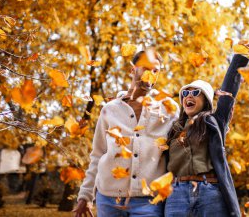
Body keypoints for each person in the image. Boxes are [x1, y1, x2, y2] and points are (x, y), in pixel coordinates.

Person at [73, 50, 180, 217]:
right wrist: (86, 195)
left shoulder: (168, 109)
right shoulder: (110, 109)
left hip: (148, 201)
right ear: (132, 70)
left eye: (155, 71)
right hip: (108, 199)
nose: (150, 74)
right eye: (146, 68)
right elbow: (98, 155)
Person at [165, 42, 249, 217]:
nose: (189, 97)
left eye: (195, 93)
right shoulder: (174, 128)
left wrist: (239, 57)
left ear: (206, 100)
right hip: (176, 194)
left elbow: (228, 92)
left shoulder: (214, 121)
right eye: (185, 94)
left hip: (209, 193)